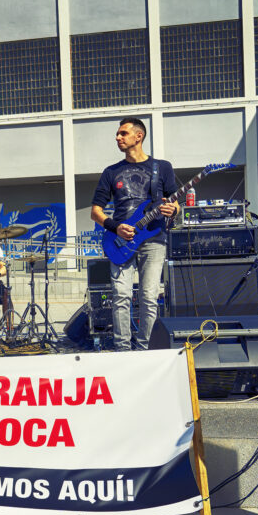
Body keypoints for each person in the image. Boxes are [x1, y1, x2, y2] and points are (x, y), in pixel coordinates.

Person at [91, 117, 179, 351]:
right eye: (117, 134)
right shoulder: (111, 172)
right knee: (121, 296)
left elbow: (175, 203)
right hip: (120, 240)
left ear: (139, 136)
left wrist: (174, 209)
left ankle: (144, 349)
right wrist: (115, 227)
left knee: (149, 297)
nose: (117, 137)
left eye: (123, 133)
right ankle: (122, 350)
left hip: (154, 239)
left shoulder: (162, 167)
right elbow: (95, 212)